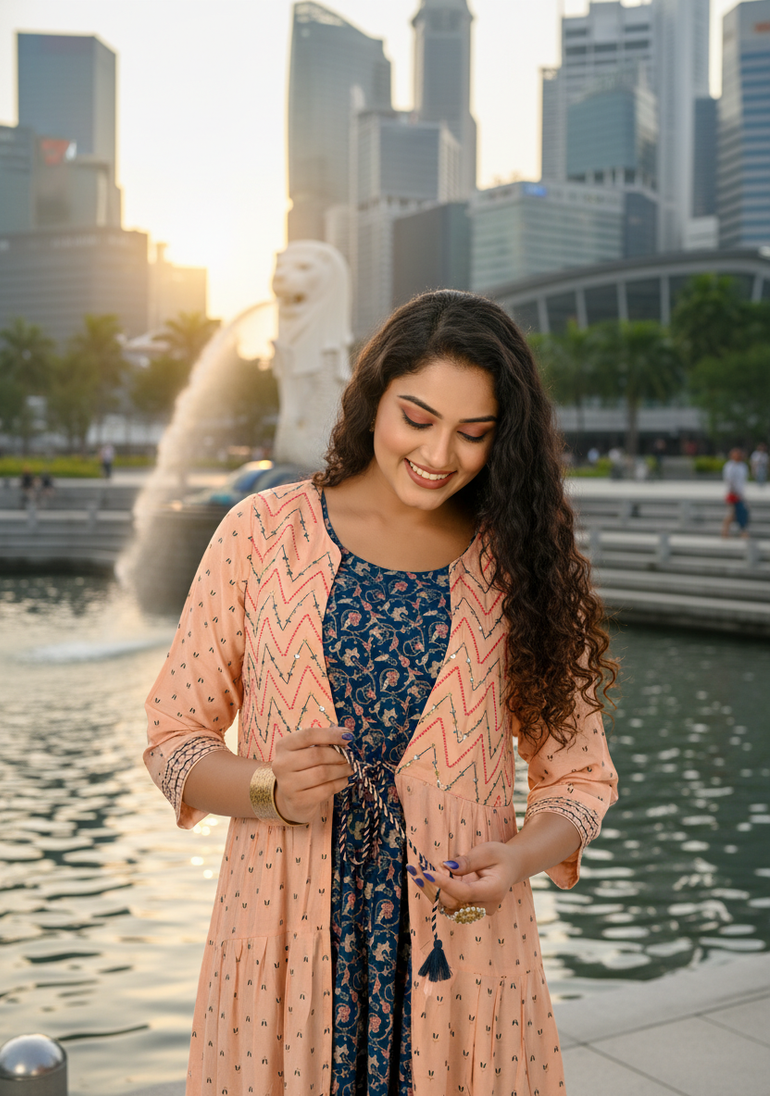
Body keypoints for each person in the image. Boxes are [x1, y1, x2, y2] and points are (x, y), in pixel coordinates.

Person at [144, 291, 619, 1096]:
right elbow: (173, 740)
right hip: (281, 941)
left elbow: (579, 781)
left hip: (460, 950)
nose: (439, 453)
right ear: (373, 398)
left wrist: (516, 858)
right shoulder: (260, 534)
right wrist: (267, 788)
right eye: (417, 418)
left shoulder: (521, 565)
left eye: (473, 432)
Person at [722, 447, 750, 538]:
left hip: (740, 493)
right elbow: (729, 480)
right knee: (731, 513)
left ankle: (741, 531)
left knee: (740, 513)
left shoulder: (743, 466)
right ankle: (725, 532)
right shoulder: (729, 466)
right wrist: (734, 491)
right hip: (733, 494)